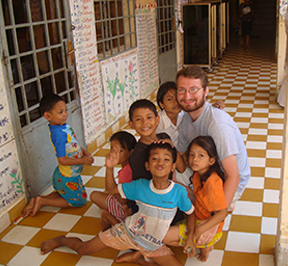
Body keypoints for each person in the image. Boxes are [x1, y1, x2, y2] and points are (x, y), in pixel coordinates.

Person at [40, 142, 194, 266]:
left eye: (166, 159)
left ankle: (139, 257)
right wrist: (109, 167)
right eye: (155, 158)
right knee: (83, 249)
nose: (160, 162)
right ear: (147, 165)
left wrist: (190, 238)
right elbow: (112, 190)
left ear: (173, 166)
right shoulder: (140, 186)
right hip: (126, 233)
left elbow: (190, 213)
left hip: (153, 244)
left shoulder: (179, 192)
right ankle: (61, 239)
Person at [176, 66, 250, 245]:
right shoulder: (185, 117)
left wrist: (213, 221)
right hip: (206, 169)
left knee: (203, 236)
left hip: (227, 178)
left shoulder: (218, 124)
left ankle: (224, 204)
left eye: (193, 89)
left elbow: (234, 175)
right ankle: (201, 204)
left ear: (206, 91)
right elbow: (181, 155)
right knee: (174, 176)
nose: (187, 96)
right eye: (182, 90)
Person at [21, 94, 94, 218]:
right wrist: (83, 160)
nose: (65, 114)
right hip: (67, 174)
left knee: (67, 193)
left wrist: (84, 152)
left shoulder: (63, 126)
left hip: (70, 172)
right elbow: (62, 160)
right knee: (79, 201)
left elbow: (73, 144)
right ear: (48, 116)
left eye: (65, 110)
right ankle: (43, 201)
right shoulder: (58, 135)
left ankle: (37, 199)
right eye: (60, 112)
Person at [163, 136, 228, 262]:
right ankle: (205, 245)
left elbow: (222, 213)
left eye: (201, 156)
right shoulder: (199, 173)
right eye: (192, 155)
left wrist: (196, 233)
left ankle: (205, 249)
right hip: (199, 217)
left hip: (206, 225)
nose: (194, 159)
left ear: (211, 160)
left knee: (165, 237)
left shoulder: (212, 185)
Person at [128, 99, 185, 181]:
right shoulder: (137, 156)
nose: (145, 122)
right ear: (131, 124)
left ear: (157, 120)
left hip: (169, 186)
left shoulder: (164, 137)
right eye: (138, 119)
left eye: (149, 117)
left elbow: (181, 168)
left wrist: (172, 148)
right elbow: (143, 187)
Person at [90, 131, 137, 230]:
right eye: (112, 149)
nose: (115, 154)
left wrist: (109, 167)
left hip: (128, 210)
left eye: (120, 151)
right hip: (133, 207)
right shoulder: (131, 166)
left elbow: (122, 198)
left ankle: (116, 222)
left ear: (131, 152)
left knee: (94, 195)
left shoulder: (127, 171)